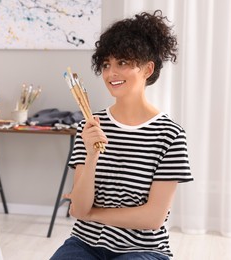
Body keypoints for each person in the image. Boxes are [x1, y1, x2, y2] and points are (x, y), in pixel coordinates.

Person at [50, 10, 194, 260]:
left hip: (143, 249)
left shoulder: (170, 135)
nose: (111, 73)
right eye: (106, 64)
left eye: (123, 63)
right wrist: (92, 155)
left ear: (147, 69)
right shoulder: (91, 125)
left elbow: (152, 218)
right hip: (85, 243)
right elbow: (79, 208)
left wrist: (92, 214)